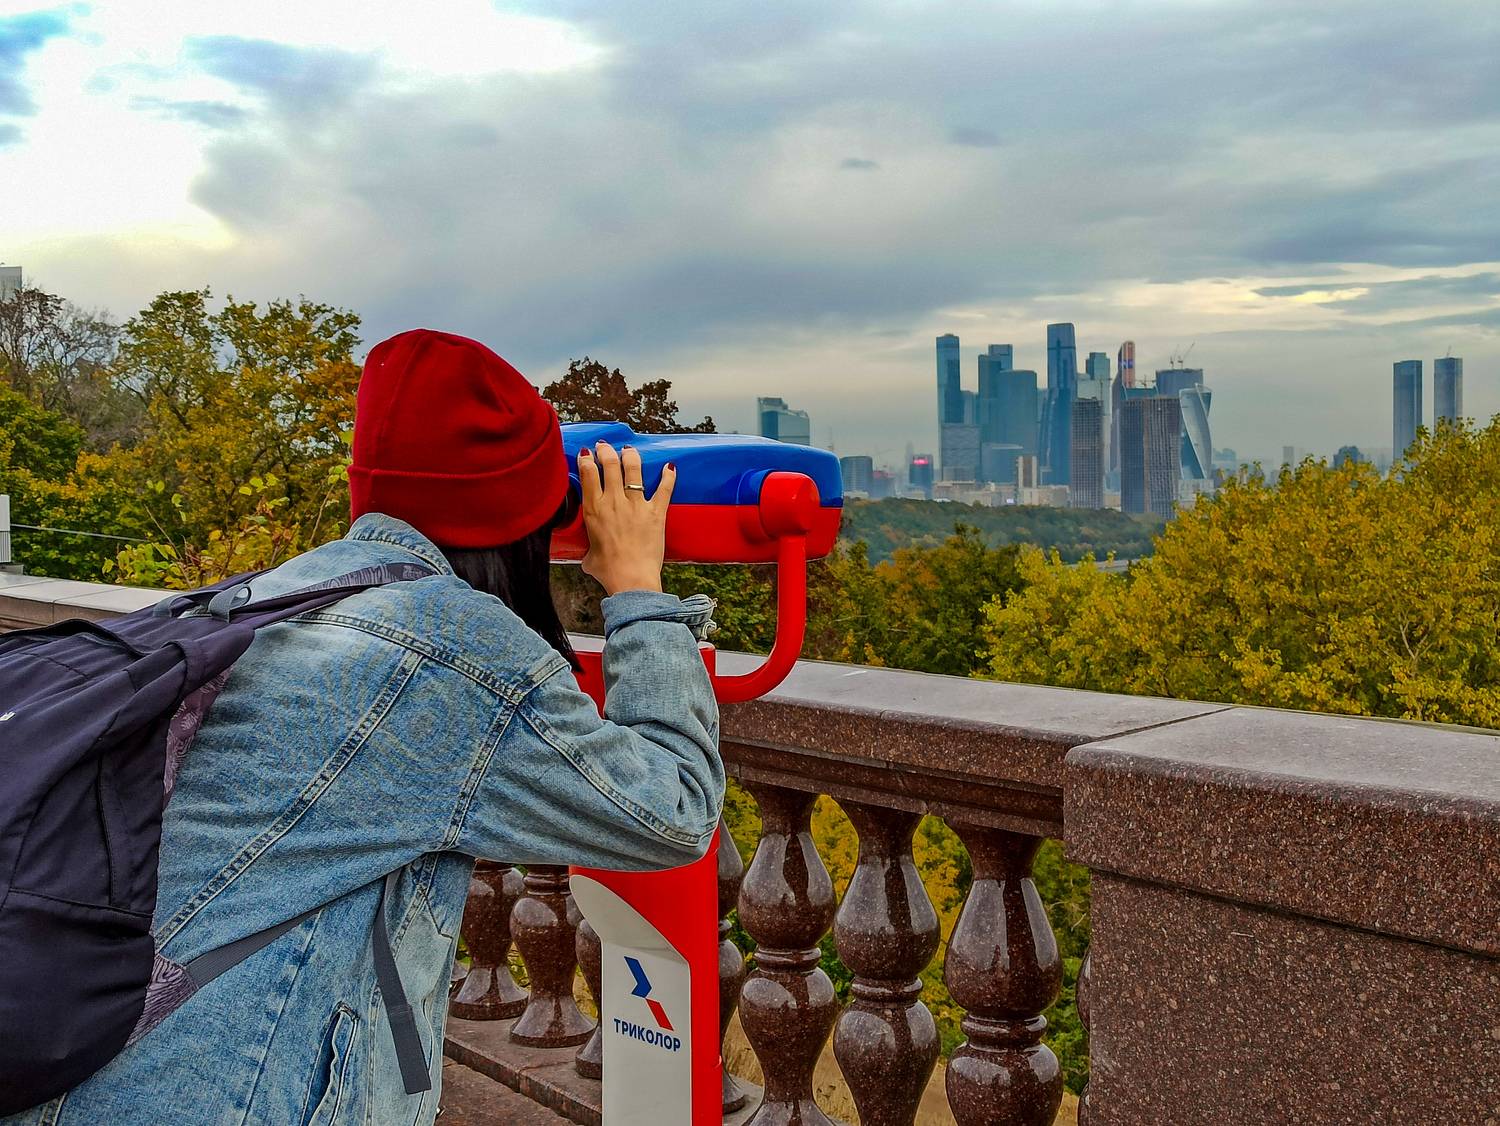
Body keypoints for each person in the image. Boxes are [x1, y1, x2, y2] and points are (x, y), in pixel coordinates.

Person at [6, 330, 724, 1125]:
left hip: (69, 1072)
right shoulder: (456, 653)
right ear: (515, 520)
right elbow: (674, 808)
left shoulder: (265, 596)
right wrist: (638, 591)